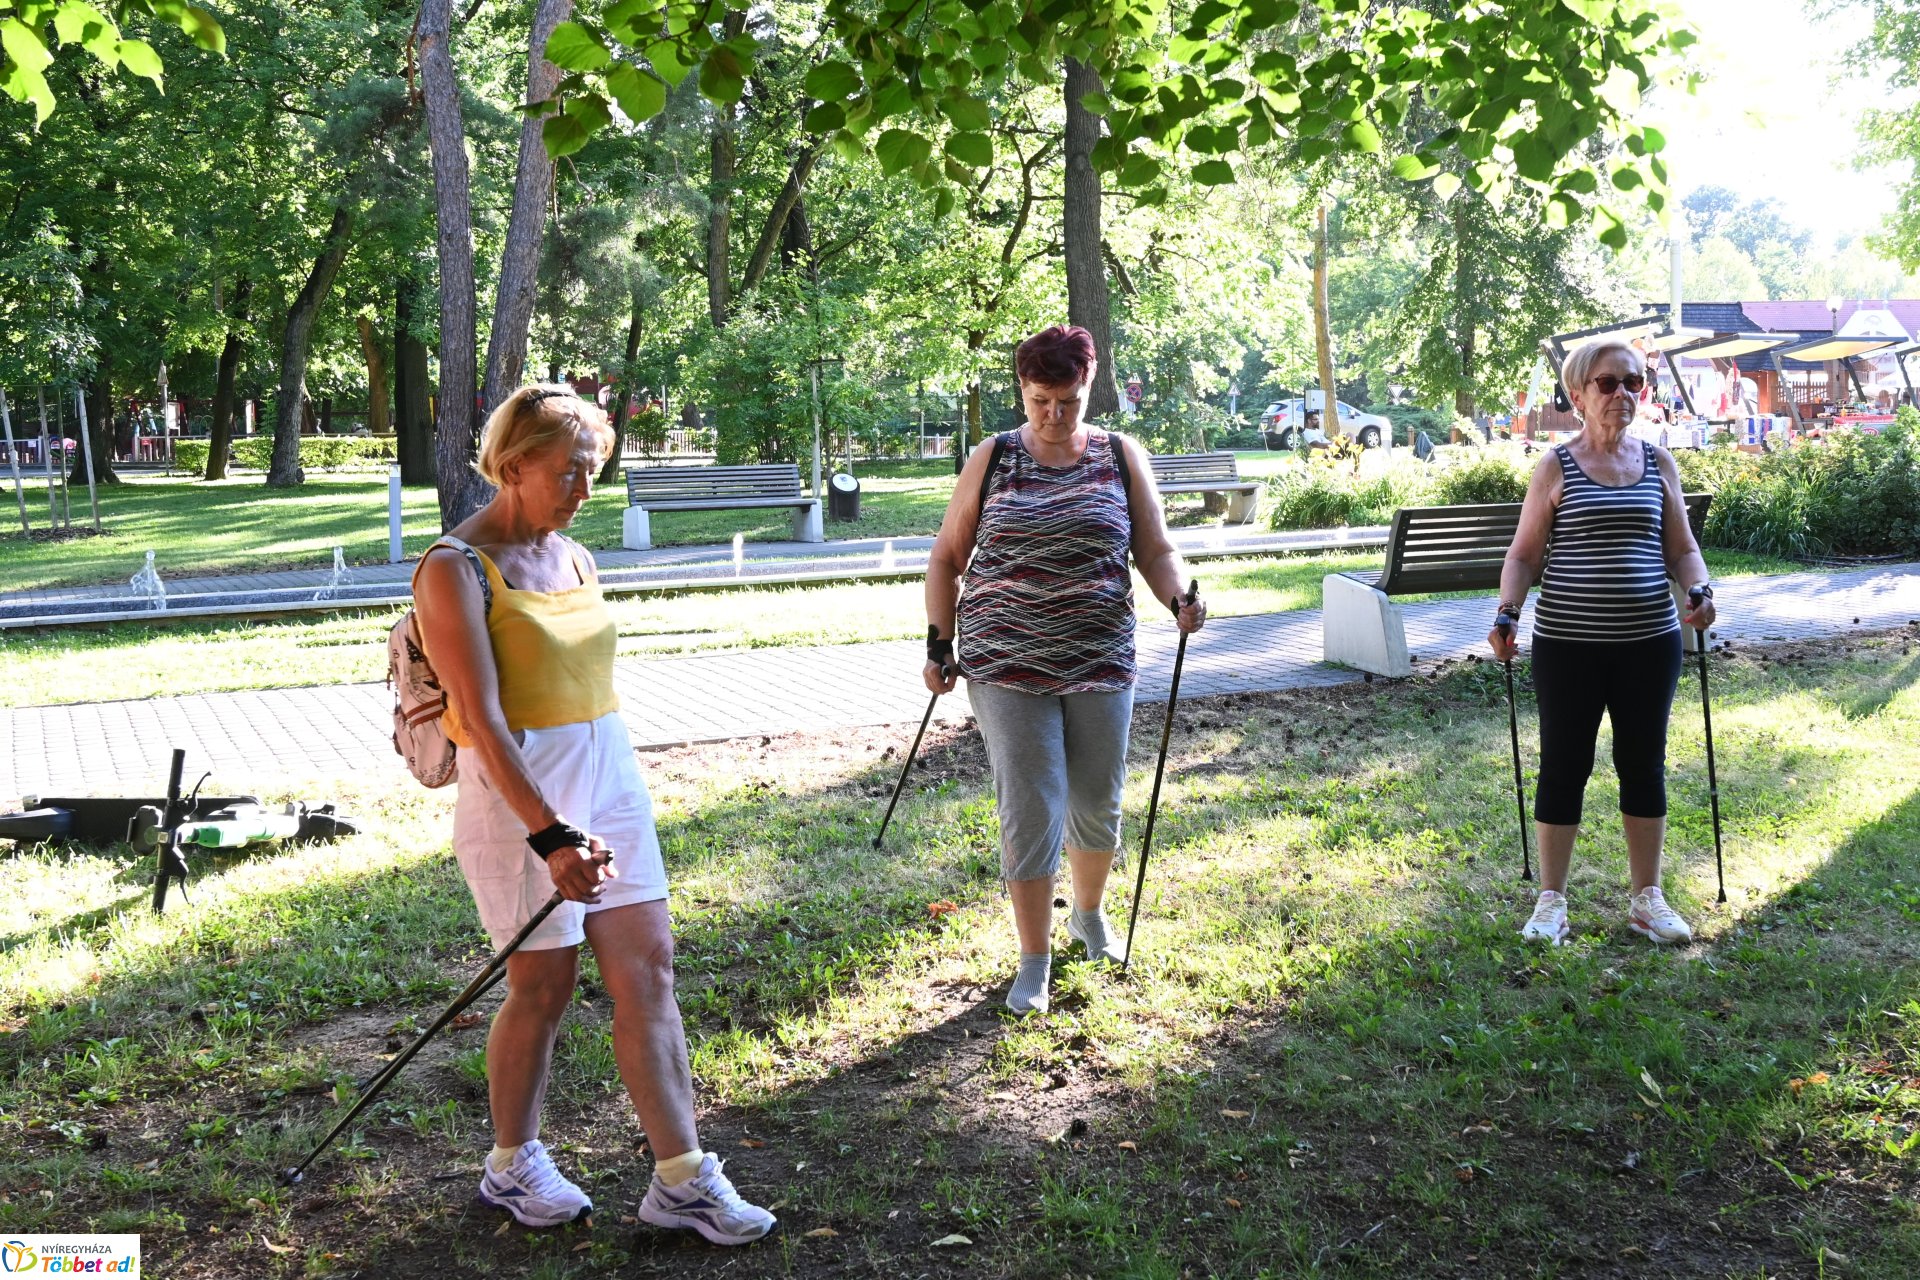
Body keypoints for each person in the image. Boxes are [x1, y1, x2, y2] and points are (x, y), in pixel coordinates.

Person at [412, 386, 775, 1243]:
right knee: (543, 984)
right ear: (513, 465)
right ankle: (511, 1165)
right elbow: (484, 723)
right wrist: (549, 835)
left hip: (609, 775)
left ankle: (682, 1180)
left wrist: (597, 804)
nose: (584, 489)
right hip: (516, 799)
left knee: (648, 967)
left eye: (594, 472)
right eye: (570, 471)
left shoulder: (574, 557)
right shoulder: (454, 568)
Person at [923, 325, 1206, 1014]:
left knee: (1096, 801)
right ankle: (1033, 959)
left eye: (1069, 401)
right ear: (1022, 389)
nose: (1053, 415)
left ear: (1089, 387)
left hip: (1101, 656)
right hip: (1005, 662)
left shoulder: (1119, 456)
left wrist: (1181, 596)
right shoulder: (993, 458)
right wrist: (938, 645)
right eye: (1040, 399)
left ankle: (1088, 914)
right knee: (1033, 805)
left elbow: (1156, 550)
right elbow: (945, 560)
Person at [1489, 339, 1718, 947]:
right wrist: (1508, 614)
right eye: (1609, 383)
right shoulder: (1556, 467)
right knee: (1566, 764)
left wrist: (1699, 590)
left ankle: (1648, 899)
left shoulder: (1659, 462)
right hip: (1570, 644)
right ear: (1578, 394)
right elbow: (1524, 554)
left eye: (1634, 383)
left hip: (1650, 641)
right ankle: (1551, 902)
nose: (1624, 394)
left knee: (1643, 764)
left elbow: (1682, 549)